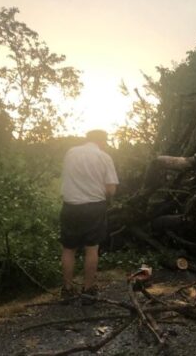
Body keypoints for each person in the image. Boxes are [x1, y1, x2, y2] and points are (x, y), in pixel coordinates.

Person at [59, 129, 118, 303]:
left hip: (70, 206)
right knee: (91, 248)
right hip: (93, 207)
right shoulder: (104, 157)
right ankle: (88, 289)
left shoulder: (71, 153)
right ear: (102, 141)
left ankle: (67, 289)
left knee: (68, 248)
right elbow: (111, 189)